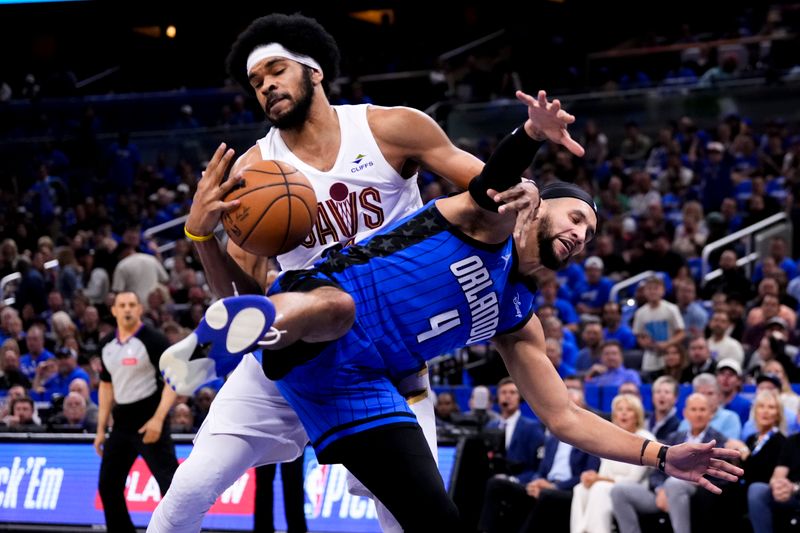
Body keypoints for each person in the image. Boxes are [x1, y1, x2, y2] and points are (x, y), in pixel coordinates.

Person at [165, 90, 742, 531]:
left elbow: (564, 417)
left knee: (438, 521)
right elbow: (495, 182)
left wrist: (662, 454)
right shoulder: (485, 220)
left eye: (588, 234)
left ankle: (236, 333)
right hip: (312, 322)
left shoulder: (518, 315)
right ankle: (239, 333)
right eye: (574, 218)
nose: (579, 235)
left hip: (365, 385)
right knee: (335, 308)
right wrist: (530, 135)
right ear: (536, 207)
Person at [150, 13, 542, 533]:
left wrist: (525, 186)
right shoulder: (253, 170)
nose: (265, 85)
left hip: (386, 352)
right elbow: (238, 300)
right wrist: (202, 238)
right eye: (256, 81)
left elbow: (487, 190)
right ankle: (213, 347)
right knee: (188, 490)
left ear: (313, 72)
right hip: (297, 343)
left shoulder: (390, 127)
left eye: (276, 70)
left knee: (408, 515)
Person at [96, 291, 178, 533]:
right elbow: (106, 386)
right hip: (121, 423)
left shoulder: (154, 340)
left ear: (140, 309)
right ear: (114, 311)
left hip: (150, 418)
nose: (127, 309)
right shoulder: (106, 345)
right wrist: (100, 429)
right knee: (108, 485)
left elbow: (173, 382)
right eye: (122, 305)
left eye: (132, 304)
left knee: (171, 486)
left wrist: (158, 419)